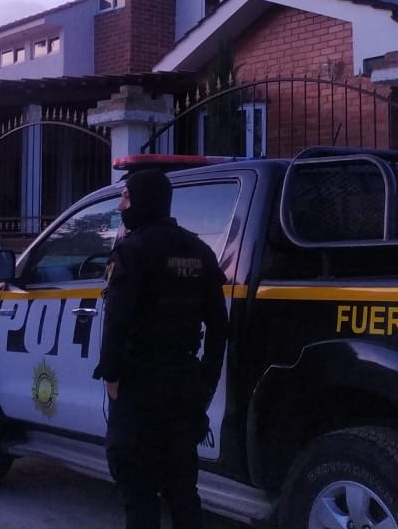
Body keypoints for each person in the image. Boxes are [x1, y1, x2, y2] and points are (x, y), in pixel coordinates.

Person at [93, 169, 229, 529]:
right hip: (184, 385)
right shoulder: (199, 250)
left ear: (144, 200)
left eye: (126, 197)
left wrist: (112, 374)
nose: (121, 205)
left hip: (140, 385)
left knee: (137, 489)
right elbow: (219, 328)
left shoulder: (131, 250)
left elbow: (117, 319)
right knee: (182, 487)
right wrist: (205, 383)